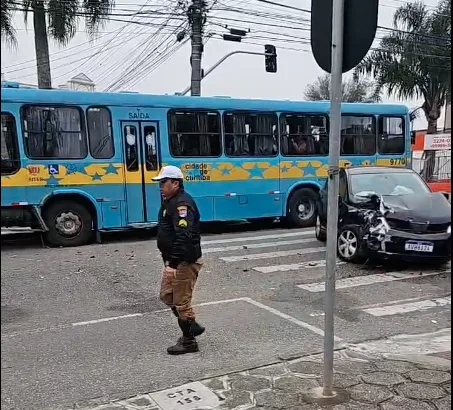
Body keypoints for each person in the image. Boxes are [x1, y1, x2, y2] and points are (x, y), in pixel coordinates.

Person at [153, 165, 204, 355]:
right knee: (167, 296)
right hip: (173, 260)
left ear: (175, 183)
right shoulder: (170, 201)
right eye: (159, 183)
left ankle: (189, 342)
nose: (160, 186)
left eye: (163, 182)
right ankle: (191, 325)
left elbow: (184, 236)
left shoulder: (182, 204)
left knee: (181, 302)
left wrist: (173, 264)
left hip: (184, 261)